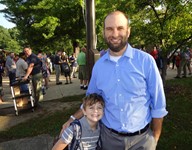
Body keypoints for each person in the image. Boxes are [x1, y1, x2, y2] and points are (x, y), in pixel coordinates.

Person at [61, 11, 168, 150]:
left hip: (142, 141)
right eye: (109, 29)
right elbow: (90, 100)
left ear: (128, 31)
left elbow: (158, 105)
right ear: (104, 33)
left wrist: (155, 138)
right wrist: (72, 118)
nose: (115, 34)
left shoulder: (146, 61)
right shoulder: (99, 67)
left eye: (120, 28)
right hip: (109, 140)